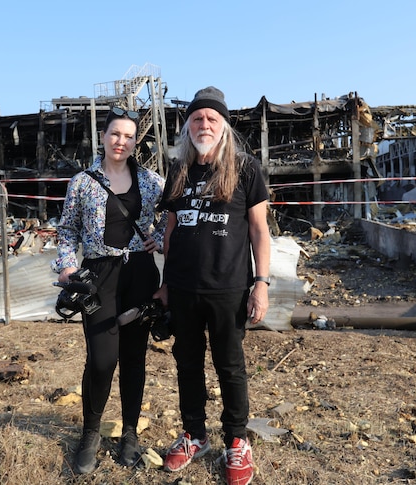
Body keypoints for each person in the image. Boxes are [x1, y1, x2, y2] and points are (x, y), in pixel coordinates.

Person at [154, 86, 270, 485]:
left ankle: (237, 441)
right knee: (187, 363)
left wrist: (261, 284)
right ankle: (195, 435)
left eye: (212, 119)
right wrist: (166, 283)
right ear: (188, 126)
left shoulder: (246, 168)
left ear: (224, 126)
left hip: (229, 288)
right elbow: (169, 231)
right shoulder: (179, 170)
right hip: (184, 289)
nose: (204, 124)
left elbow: (259, 232)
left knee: (230, 366)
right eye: (198, 118)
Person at [52, 106, 166, 474]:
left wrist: (160, 239)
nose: (122, 141)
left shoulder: (151, 181)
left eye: (129, 136)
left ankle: (130, 433)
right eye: (115, 134)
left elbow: (176, 217)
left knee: (134, 358)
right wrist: (68, 266)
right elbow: (67, 230)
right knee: (102, 359)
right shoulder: (83, 182)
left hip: (140, 274)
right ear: (103, 137)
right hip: (99, 276)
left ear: (136, 141)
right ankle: (90, 434)